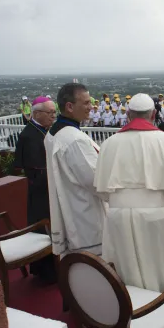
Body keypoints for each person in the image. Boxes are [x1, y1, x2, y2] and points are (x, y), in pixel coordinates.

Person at [93, 93, 164, 328]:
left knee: (126, 272)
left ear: (128, 115)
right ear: (154, 115)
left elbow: (101, 189)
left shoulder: (109, 144)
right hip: (157, 215)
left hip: (118, 217)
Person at [44, 83, 107, 258]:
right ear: (70, 106)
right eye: (86, 103)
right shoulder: (75, 140)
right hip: (85, 214)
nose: (91, 107)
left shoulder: (52, 134)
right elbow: (96, 181)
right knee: (95, 269)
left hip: (70, 206)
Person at [13, 96, 57, 283]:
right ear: (37, 113)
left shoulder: (42, 131)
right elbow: (36, 168)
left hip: (45, 190)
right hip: (41, 192)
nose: (53, 117)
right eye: (50, 113)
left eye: (55, 112)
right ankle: (46, 273)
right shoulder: (29, 136)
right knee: (43, 231)